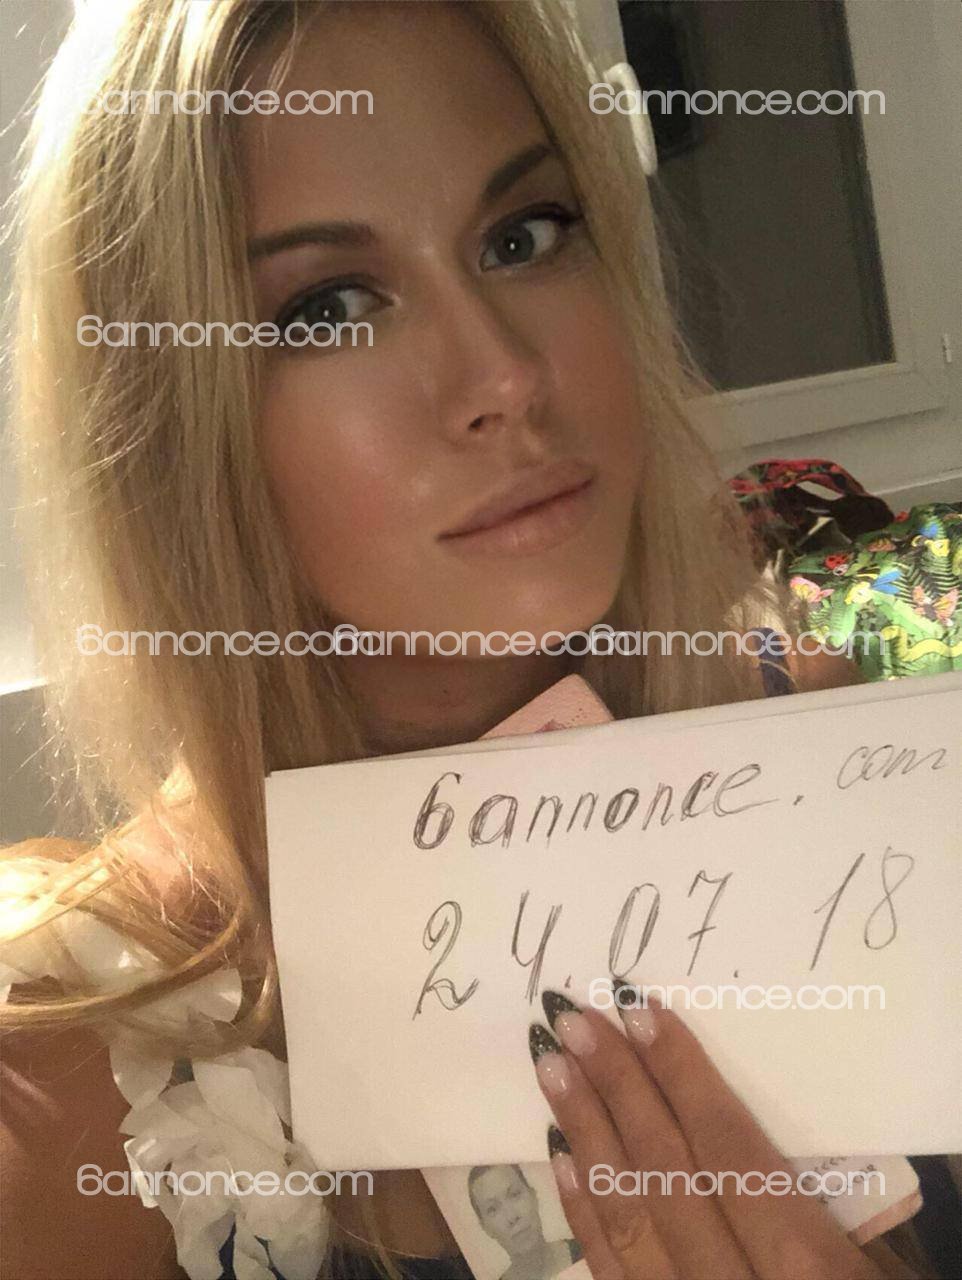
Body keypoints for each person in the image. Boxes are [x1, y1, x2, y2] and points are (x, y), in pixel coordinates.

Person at [0, 1, 938, 1278]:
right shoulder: (70, 1074)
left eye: (522, 234)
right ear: (165, 421)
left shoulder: (842, 749)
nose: (504, 374)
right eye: (328, 305)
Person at [467, 1164, 581, 1280]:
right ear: (485, 1228)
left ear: (533, 1197)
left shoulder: (586, 1249)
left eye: (514, 1194)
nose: (512, 1217)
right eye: (493, 1209)